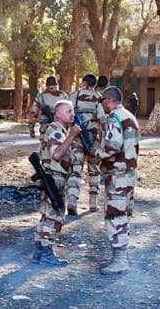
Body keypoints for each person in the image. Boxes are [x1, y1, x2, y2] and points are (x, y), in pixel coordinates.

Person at [95, 86, 139, 274]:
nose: (102, 106)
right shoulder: (129, 116)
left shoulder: (114, 117)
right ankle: (122, 257)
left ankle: (120, 260)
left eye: (102, 102)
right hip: (129, 174)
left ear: (108, 100)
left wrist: (96, 153)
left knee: (115, 216)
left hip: (118, 175)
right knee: (124, 216)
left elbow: (113, 144)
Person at [33, 100, 82, 267]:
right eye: (69, 111)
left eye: (73, 111)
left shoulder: (59, 130)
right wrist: (72, 136)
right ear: (58, 114)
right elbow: (57, 154)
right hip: (55, 178)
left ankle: (39, 252)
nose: (72, 114)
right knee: (55, 218)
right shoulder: (56, 130)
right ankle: (47, 253)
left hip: (55, 177)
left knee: (47, 215)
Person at [66, 74, 102, 214]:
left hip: (77, 137)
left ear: (84, 82)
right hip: (93, 139)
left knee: (75, 170)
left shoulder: (74, 96)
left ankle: (72, 201)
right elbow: (103, 118)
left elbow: (68, 116)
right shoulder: (99, 97)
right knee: (94, 170)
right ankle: (93, 204)